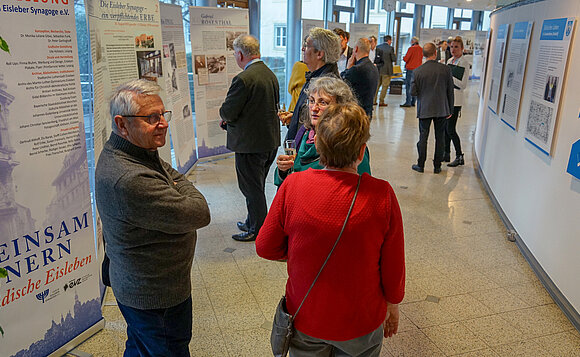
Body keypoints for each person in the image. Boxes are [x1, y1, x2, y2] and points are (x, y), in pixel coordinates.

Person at [257, 103, 405, 357]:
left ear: (317, 147)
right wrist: (393, 303)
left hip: (306, 315)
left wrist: (297, 251)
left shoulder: (293, 185)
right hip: (361, 321)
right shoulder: (382, 194)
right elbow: (392, 263)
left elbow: (265, 246)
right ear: (362, 151)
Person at [95, 79, 211, 356]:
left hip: (145, 286)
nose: (163, 123)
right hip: (155, 295)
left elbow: (168, 172)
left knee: (140, 345)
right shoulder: (130, 177)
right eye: (151, 118)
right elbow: (199, 211)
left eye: (162, 115)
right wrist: (178, 187)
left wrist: (174, 184)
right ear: (122, 124)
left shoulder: (133, 152)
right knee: (168, 349)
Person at [219, 34, 280, 242]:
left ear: (240, 54)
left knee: (251, 188)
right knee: (257, 185)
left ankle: (258, 229)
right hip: (268, 141)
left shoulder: (243, 79)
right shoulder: (269, 73)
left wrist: (225, 118)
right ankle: (251, 220)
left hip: (250, 145)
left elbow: (228, 111)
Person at [275, 76, 371, 186]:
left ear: (341, 107)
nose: (314, 108)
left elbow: (363, 189)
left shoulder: (349, 144)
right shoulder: (305, 134)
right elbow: (289, 175)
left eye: (323, 102)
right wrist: (282, 170)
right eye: (311, 101)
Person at [282, 27, 341, 141]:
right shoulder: (314, 77)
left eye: (307, 45)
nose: (303, 49)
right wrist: (296, 116)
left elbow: (326, 129)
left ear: (319, 54)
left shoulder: (327, 86)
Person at [410, 42, 454, 174]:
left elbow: (413, 92)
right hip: (442, 108)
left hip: (425, 108)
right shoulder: (446, 70)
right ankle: (437, 166)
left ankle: (421, 164)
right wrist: (450, 109)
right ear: (435, 53)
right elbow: (450, 91)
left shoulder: (417, 71)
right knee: (440, 138)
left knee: (423, 137)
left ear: (423, 55)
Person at [445, 36, 470, 167]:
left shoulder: (464, 63)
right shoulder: (450, 60)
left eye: (456, 47)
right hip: (447, 99)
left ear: (462, 49)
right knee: (445, 128)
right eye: (452, 47)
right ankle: (446, 153)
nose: (453, 49)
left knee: (450, 129)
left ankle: (459, 155)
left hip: (456, 100)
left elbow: (463, 84)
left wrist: (449, 77)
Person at [341, 38, 379, 119]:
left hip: (356, 114)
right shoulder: (373, 67)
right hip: (368, 112)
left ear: (356, 49)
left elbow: (340, 84)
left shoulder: (356, 69)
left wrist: (348, 68)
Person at [400, 36, 423, 108]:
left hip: (410, 69)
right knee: (415, 85)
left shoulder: (411, 49)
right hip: (418, 69)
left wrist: (403, 58)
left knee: (409, 85)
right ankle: (413, 101)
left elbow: (406, 59)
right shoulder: (421, 49)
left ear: (413, 41)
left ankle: (408, 102)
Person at [375, 35, 397, 107]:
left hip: (378, 69)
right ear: (389, 41)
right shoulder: (390, 48)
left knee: (377, 86)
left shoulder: (378, 47)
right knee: (385, 86)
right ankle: (381, 101)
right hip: (387, 70)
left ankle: (374, 100)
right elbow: (393, 59)